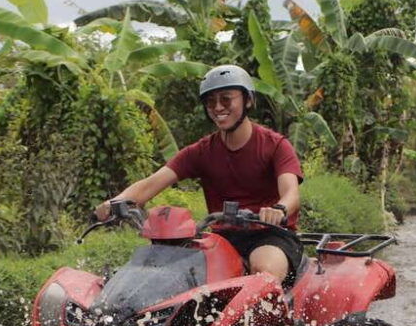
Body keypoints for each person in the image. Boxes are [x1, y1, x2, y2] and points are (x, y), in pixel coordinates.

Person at [94, 64, 304, 287]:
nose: (217, 107)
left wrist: (278, 210)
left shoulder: (275, 145)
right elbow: (150, 184)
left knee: (264, 271)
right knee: (172, 280)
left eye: (226, 99)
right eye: (211, 102)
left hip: (270, 235)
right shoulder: (201, 151)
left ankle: (265, 322)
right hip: (221, 237)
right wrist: (114, 203)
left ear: (248, 100)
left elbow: (291, 193)